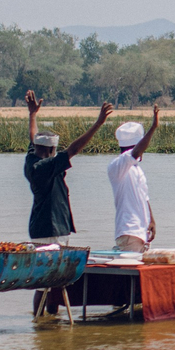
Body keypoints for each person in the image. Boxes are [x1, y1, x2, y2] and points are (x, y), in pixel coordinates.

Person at [23, 90, 112, 244]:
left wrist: (32, 115)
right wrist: (98, 124)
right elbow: (73, 150)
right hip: (51, 230)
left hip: (41, 229)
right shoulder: (45, 167)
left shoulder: (31, 160)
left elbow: (33, 138)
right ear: (51, 150)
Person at [107, 103, 161, 251]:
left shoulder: (136, 169)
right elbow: (134, 153)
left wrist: (151, 220)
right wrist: (153, 128)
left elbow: (144, 197)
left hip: (142, 232)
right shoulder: (118, 165)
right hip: (129, 231)